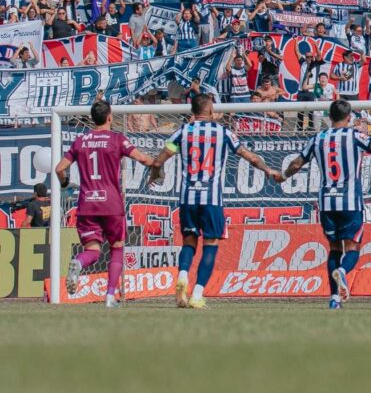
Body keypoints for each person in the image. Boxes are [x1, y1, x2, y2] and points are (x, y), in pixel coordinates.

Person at [281, 100, 371, 309]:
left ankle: (334, 299)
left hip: (326, 202)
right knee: (352, 248)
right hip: (350, 202)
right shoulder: (355, 136)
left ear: (329, 117)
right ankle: (343, 272)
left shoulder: (318, 138)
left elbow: (297, 163)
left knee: (334, 249)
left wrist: (282, 176)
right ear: (349, 118)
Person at [150, 94, 280, 309]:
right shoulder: (223, 132)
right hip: (211, 199)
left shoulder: (183, 132)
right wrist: (267, 169)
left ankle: (183, 276)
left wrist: (156, 174)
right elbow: (249, 156)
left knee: (189, 242)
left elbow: (158, 160)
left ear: (193, 111)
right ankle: (197, 294)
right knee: (210, 245)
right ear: (210, 111)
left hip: (187, 197)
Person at [53, 101, 157, 307]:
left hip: (87, 204)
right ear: (110, 117)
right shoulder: (117, 139)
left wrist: (65, 183)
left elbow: (59, 168)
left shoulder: (80, 141)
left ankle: (79, 262)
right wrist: (157, 164)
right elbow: (142, 159)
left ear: (93, 118)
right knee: (116, 249)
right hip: (111, 204)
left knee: (92, 251)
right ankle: (110, 296)